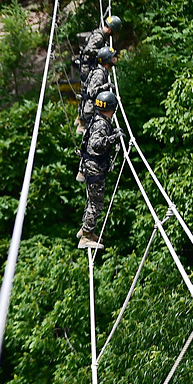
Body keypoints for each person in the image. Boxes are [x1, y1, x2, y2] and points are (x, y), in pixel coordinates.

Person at [77, 90, 124, 250]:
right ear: (112, 108)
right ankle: (86, 236)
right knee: (96, 203)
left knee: (92, 199)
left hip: (90, 166)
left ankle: (86, 230)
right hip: (94, 168)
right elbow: (95, 145)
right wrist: (112, 139)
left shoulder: (97, 119)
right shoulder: (102, 124)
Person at [76, 47, 116, 134]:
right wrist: (106, 86)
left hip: (91, 109)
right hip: (90, 111)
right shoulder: (99, 74)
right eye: (112, 57)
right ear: (107, 59)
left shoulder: (102, 71)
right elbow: (91, 92)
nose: (115, 58)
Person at [76, 14, 122, 84]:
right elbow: (87, 50)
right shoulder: (99, 37)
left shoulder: (101, 35)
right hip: (87, 68)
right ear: (110, 29)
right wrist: (103, 52)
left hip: (90, 67)